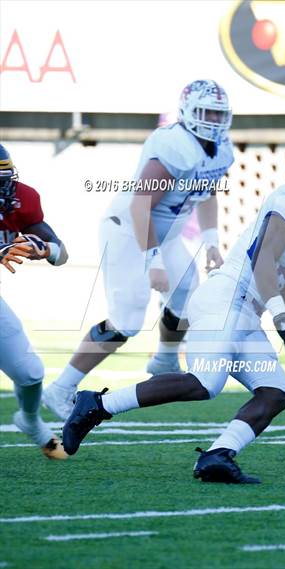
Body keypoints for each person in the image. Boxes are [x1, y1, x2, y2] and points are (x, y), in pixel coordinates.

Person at [61, 147, 285, 484]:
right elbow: (263, 259)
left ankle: (217, 455)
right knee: (205, 382)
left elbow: (283, 279)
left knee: (276, 391)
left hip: (247, 314)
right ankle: (97, 405)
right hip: (225, 299)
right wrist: (281, 317)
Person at [43, 80, 234, 421]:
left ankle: (163, 359)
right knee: (126, 321)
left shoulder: (220, 149)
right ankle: (60, 389)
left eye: (219, 113)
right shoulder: (175, 145)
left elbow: (208, 191)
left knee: (187, 294)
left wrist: (211, 241)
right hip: (130, 231)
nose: (213, 121)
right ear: (188, 111)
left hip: (166, 234)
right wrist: (154, 259)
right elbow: (140, 205)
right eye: (207, 112)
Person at [0, 144, 68, 459]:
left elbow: (61, 252)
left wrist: (45, 249)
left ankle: (30, 421)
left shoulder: (21, 199)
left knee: (29, 373)